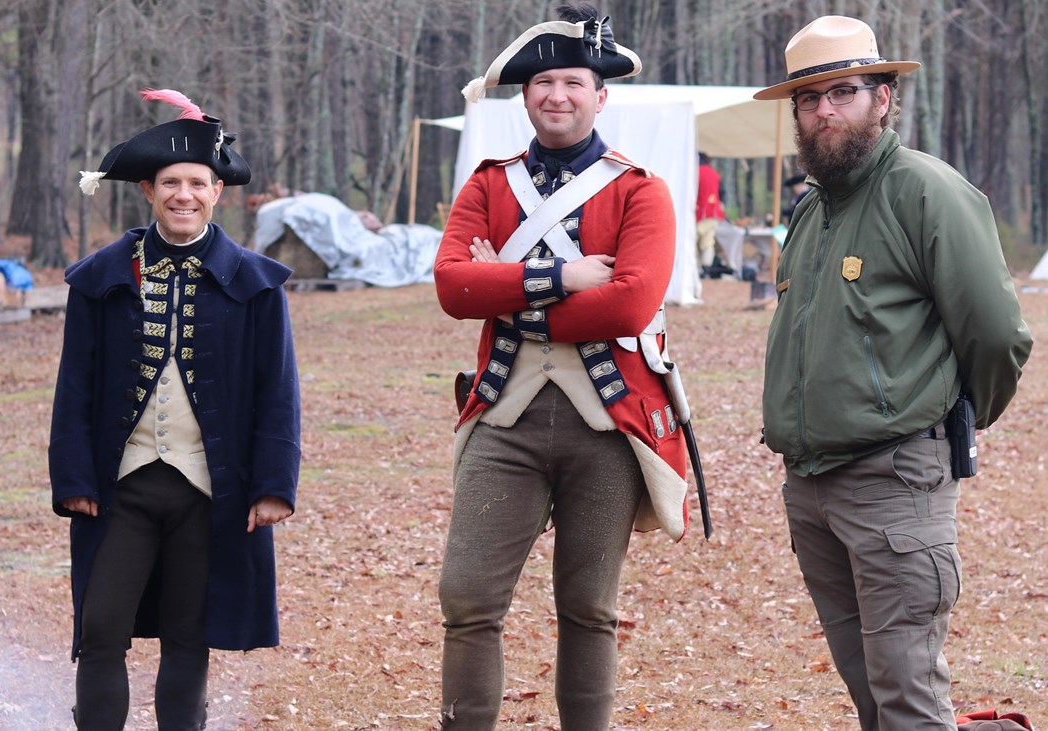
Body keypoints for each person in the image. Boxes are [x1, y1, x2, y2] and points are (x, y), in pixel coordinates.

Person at [755, 16, 1032, 731]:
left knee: (909, 697)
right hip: (812, 488)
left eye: (843, 92)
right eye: (810, 99)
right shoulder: (812, 209)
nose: (825, 111)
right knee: (874, 697)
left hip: (896, 483)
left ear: (883, 98)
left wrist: (941, 427)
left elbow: (998, 335)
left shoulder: (926, 193)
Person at [435, 4, 692, 728]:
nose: (557, 95)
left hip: (606, 425)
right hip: (504, 418)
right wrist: (566, 277)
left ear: (600, 95)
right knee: (467, 596)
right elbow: (452, 286)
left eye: (573, 82)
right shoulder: (488, 185)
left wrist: (506, 287)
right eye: (543, 82)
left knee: (589, 606)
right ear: (525, 95)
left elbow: (629, 306)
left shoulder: (641, 189)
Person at [50, 88, 300, 731]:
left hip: (209, 489)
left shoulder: (255, 284)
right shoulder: (101, 278)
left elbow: (278, 392)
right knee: (101, 627)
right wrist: (73, 478)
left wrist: (275, 485)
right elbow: (74, 384)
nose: (183, 194)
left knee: (189, 634)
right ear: (148, 192)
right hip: (121, 486)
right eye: (170, 183)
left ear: (218, 191)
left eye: (197, 182)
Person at [695, 151, 726, 271]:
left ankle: (698, 269)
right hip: (714, 213)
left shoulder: (695, 173)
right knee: (707, 241)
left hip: (700, 213)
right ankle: (706, 268)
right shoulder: (714, 173)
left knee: (691, 241)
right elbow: (721, 193)